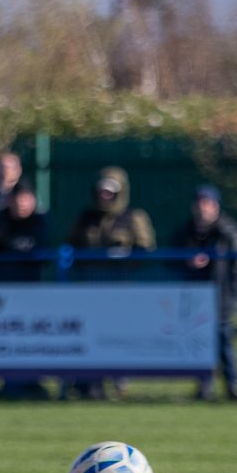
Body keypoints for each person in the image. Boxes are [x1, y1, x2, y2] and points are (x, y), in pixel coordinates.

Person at [66, 166, 156, 400]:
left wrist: (125, 256)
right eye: (102, 191)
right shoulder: (86, 218)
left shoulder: (133, 217)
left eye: (111, 192)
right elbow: (71, 246)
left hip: (120, 289)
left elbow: (146, 250)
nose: (105, 196)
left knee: (116, 338)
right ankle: (89, 385)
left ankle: (118, 383)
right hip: (90, 289)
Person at [173, 185, 237, 401]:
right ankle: (203, 387)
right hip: (195, 299)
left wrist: (233, 291)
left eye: (207, 203)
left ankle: (232, 387)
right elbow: (171, 259)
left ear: (216, 206)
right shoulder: (186, 231)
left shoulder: (229, 231)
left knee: (224, 343)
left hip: (222, 296)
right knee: (199, 345)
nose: (203, 208)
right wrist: (187, 262)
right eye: (200, 203)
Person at [0, 182, 51, 399]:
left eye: (25, 198)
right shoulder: (1, 220)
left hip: (32, 292)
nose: (20, 203)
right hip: (6, 293)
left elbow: (42, 247)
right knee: (8, 338)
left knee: (33, 339)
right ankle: (9, 383)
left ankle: (34, 382)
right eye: (17, 198)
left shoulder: (40, 221)